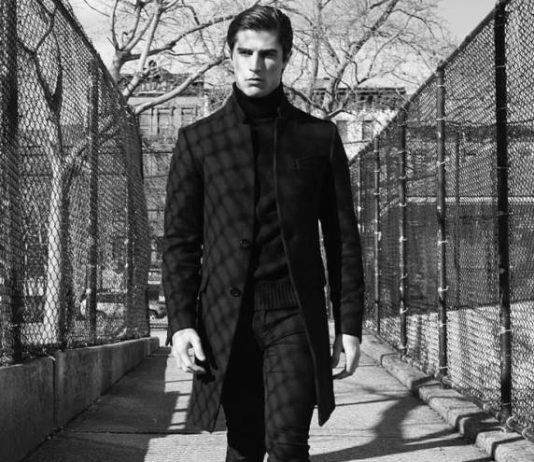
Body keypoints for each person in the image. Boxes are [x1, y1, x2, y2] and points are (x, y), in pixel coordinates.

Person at [162, 5, 365, 461]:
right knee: (245, 444)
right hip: (226, 318)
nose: (256, 65)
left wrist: (349, 325)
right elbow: (179, 242)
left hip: (294, 314)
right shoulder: (199, 140)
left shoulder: (318, 138)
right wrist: (181, 323)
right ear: (230, 56)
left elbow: (342, 239)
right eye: (246, 53)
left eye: (268, 54)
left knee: (288, 445)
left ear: (285, 58)